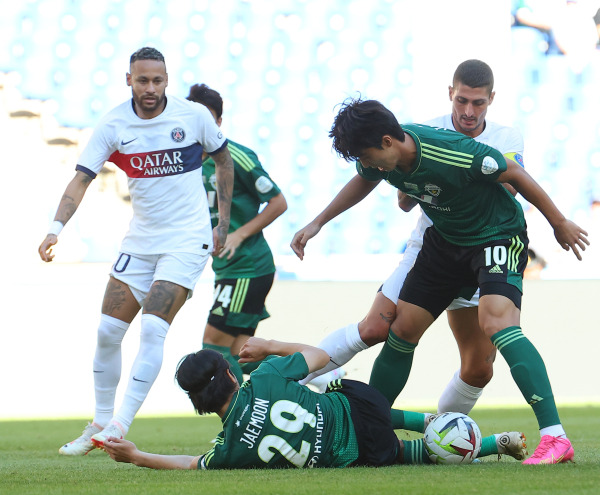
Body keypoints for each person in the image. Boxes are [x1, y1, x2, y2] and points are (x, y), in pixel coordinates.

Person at [315, 97, 588, 465]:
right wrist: (317, 223)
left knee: (496, 322)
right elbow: (362, 182)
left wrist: (558, 223)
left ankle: (555, 438)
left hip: (496, 234)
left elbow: (515, 173)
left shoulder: (455, 152)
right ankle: (369, 428)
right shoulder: (385, 157)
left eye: (365, 156)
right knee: (402, 327)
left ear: (386, 142)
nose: (366, 165)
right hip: (445, 241)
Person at [293, 60, 524, 414]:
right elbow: (389, 187)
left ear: (491, 99)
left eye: (478, 103)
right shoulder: (422, 132)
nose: (468, 111)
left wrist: (447, 176)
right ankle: (293, 380)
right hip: (430, 248)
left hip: (483, 247)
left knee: (479, 368)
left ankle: (444, 430)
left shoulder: (506, 138)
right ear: (451, 93)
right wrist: (318, 222)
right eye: (462, 100)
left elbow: (509, 187)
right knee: (375, 327)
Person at [38, 47, 234, 456]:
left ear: (167, 80)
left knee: (152, 328)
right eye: (142, 80)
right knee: (108, 332)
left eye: (157, 80)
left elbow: (223, 161)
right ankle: (98, 420)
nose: (150, 88)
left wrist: (222, 222)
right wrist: (55, 228)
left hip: (186, 240)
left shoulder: (192, 116)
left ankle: (118, 426)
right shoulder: (114, 124)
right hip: (141, 241)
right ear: (128, 79)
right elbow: (80, 180)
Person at [102, 338, 527, 469]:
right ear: (231, 373)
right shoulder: (265, 377)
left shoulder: (229, 450)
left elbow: (190, 463)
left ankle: (492, 444)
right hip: (359, 406)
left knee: (404, 455)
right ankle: (430, 420)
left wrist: (137, 456)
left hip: (356, 454)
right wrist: (269, 347)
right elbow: (321, 356)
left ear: (198, 404)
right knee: (342, 388)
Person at [185, 83, 288, 384]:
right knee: (242, 356)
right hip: (227, 269)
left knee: (213, 347)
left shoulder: (236, 157)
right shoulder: (183, 163)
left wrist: (239, 234)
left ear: (217, 123)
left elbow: (278, 202)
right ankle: (314, 373)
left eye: (207, 118)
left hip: (247, 266)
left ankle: (236, 423)